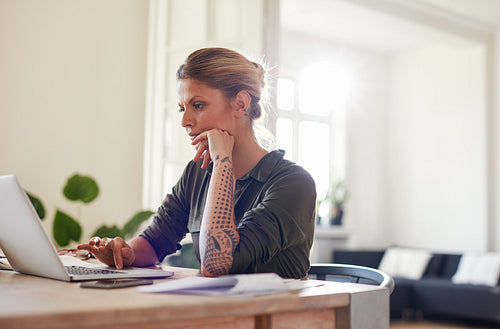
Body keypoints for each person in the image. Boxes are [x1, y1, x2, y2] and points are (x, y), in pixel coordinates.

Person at [78, 47, 316, 279]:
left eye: (198, 105)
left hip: (277, 316)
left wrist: (223, 161)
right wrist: (124, 253)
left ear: (241, 104)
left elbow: (216, 264)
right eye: (182, 108)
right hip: (218, 312)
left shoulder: (294, 183)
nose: (184, 121)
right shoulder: (198, 172)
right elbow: (154, 242)